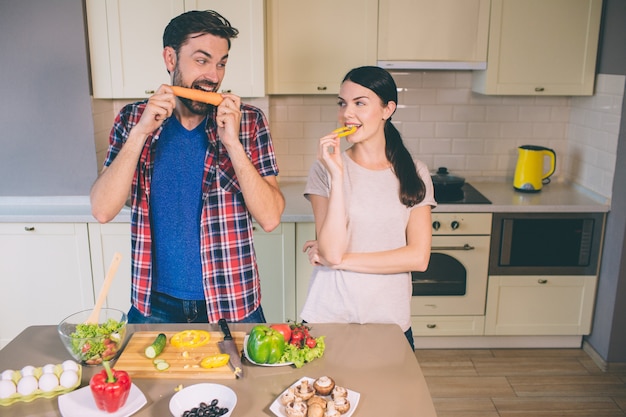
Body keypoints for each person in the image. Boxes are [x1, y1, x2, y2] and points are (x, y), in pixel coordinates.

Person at [90, 10, 285, 324]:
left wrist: (233, 144)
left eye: (221, 63)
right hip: (154, 306)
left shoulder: (248, 120)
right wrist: (140, 133)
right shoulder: (131, 119)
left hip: (232, 301)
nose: (213, 76)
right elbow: (102, 209)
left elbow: (271, 217)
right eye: (202, 60)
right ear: (170, 58)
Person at [300, 66, 436, 350]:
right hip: (329, 317)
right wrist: (337, 175)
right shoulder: (324, 170)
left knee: (390, 395)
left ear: (387, 109)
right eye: (343, 103)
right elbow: (332, 250)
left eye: (360, 103)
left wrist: (340, 261)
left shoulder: (415, 172)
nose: (347, 113)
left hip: (389, 320)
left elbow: (418, 257)